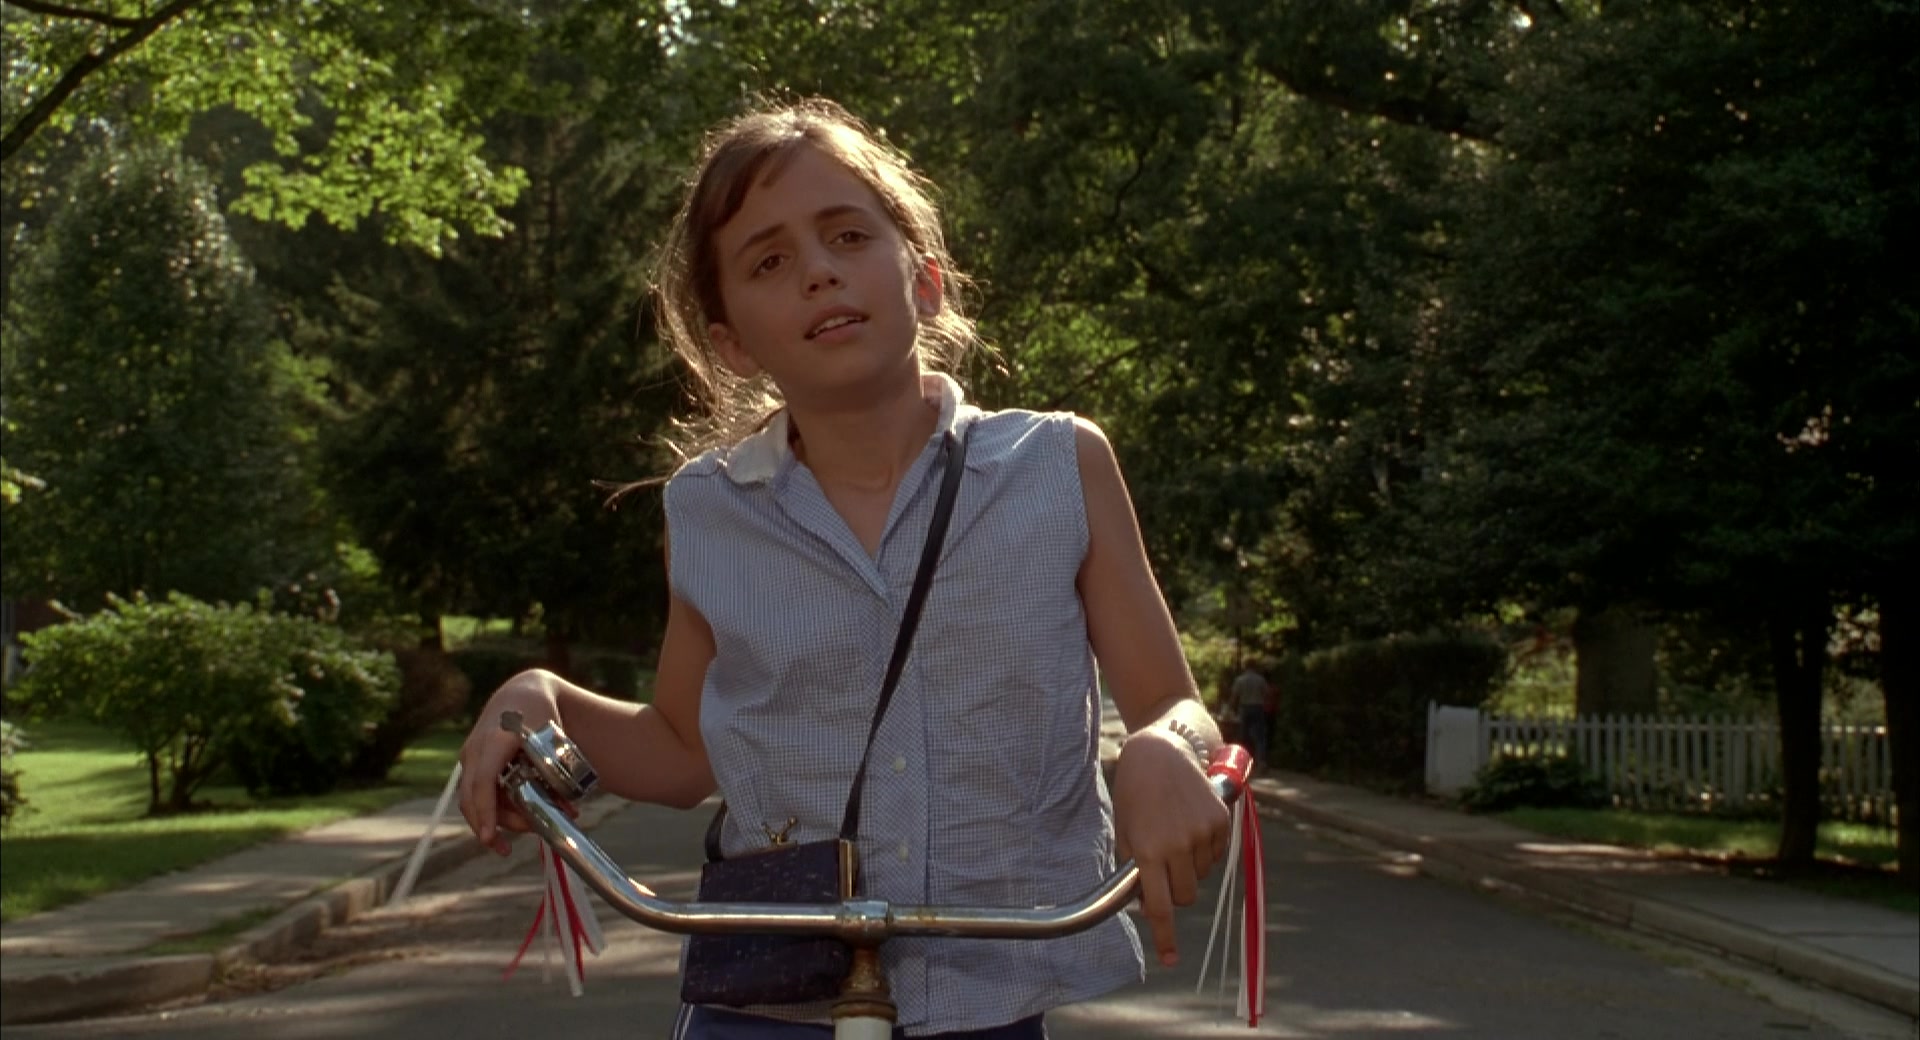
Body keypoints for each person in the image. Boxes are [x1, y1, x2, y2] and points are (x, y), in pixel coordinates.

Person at [458, 97, 1233, 1039]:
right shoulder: (707, 511)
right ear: (732, 342)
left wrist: (1164, 748)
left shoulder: (1059, 467)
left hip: (988, 998)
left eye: (849, 236)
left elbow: (1174, 705)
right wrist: (542, 698)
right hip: (762, 1001)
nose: (819, 271)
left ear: (925, 278)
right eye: (769, 262)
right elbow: (684, 748)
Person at [1229, 665, 1274, 771]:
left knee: (1243, 736)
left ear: (1246, 667)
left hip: (1244, 708)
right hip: (1258, 707)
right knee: (1260, 737)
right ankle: (1261, 761)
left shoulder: (1240, 680)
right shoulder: (1260, 679)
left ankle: (1241, 761)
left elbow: (1234, 695)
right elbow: (1267, 694)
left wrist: (1231, 707)